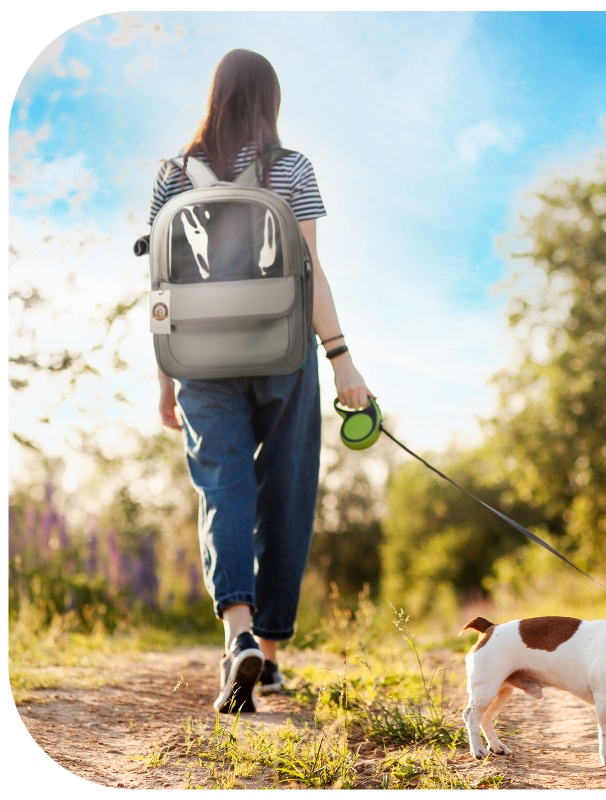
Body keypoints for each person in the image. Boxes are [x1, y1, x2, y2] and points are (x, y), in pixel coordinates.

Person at [147, 49, 372, 713]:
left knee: (223, 489)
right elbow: (310, 272)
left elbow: (160, 285)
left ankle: (238, 635)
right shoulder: (290, 167)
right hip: (283, 351)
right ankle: (269, 659)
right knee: (287, 491)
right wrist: (341, 358)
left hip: (199, 356)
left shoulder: (171, 175)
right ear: (271, 100)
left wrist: (165, 379)